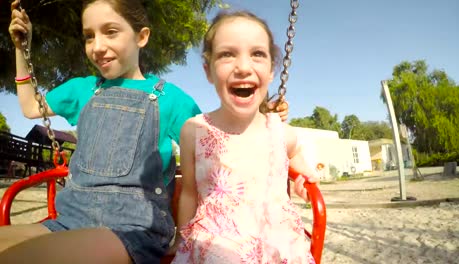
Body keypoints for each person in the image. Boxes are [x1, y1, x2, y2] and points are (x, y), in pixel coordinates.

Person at [1, 1, 289, 263]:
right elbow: (29, 106)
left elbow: (218, 142)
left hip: (134, 229)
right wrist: (20, 49)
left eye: (110, 32)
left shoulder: (171, 99)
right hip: (68, 218)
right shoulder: (81, 89)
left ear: (142, 37)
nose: (97, 46)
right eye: (90, 36)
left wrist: (262, 116)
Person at [171, 11, 318, 263]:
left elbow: (294, 156)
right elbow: (188, 193)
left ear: (272, 71)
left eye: (257, 54)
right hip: (217, 241)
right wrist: (182, 242)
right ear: (208, 71)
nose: (243, 67)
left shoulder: (281, 132)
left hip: (279, 246)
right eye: (227, 54)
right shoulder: (194, 130)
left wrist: (305, 176)